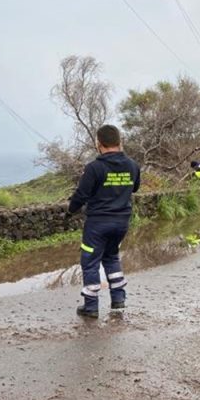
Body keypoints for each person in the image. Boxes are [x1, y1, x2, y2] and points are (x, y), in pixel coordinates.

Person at [67, 125, 141, 318]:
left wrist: (70, 211)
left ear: (99, 144)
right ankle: (118, 299)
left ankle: (90, 307)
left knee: (90, 262)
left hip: (98, 224)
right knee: (111, 257)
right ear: (120, 142)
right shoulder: (133, 165)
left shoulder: (94, 168)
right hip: (121, 224)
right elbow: (134, 188)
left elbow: (81, 195)